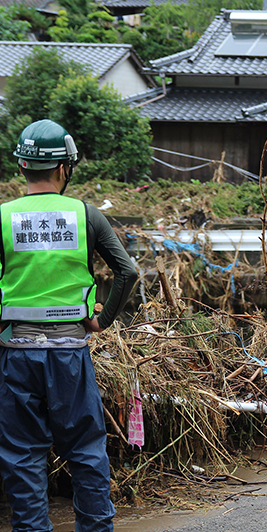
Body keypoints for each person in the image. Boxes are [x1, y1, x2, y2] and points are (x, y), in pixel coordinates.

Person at [0, 119, 138, 531]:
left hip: (16, 355)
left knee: (23, 455)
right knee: (85, 451)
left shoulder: (3, 216)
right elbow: (128, 272)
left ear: (22, 166)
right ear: (64, 169)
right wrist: (102, 320)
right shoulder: (85, 215)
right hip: (71, 357)